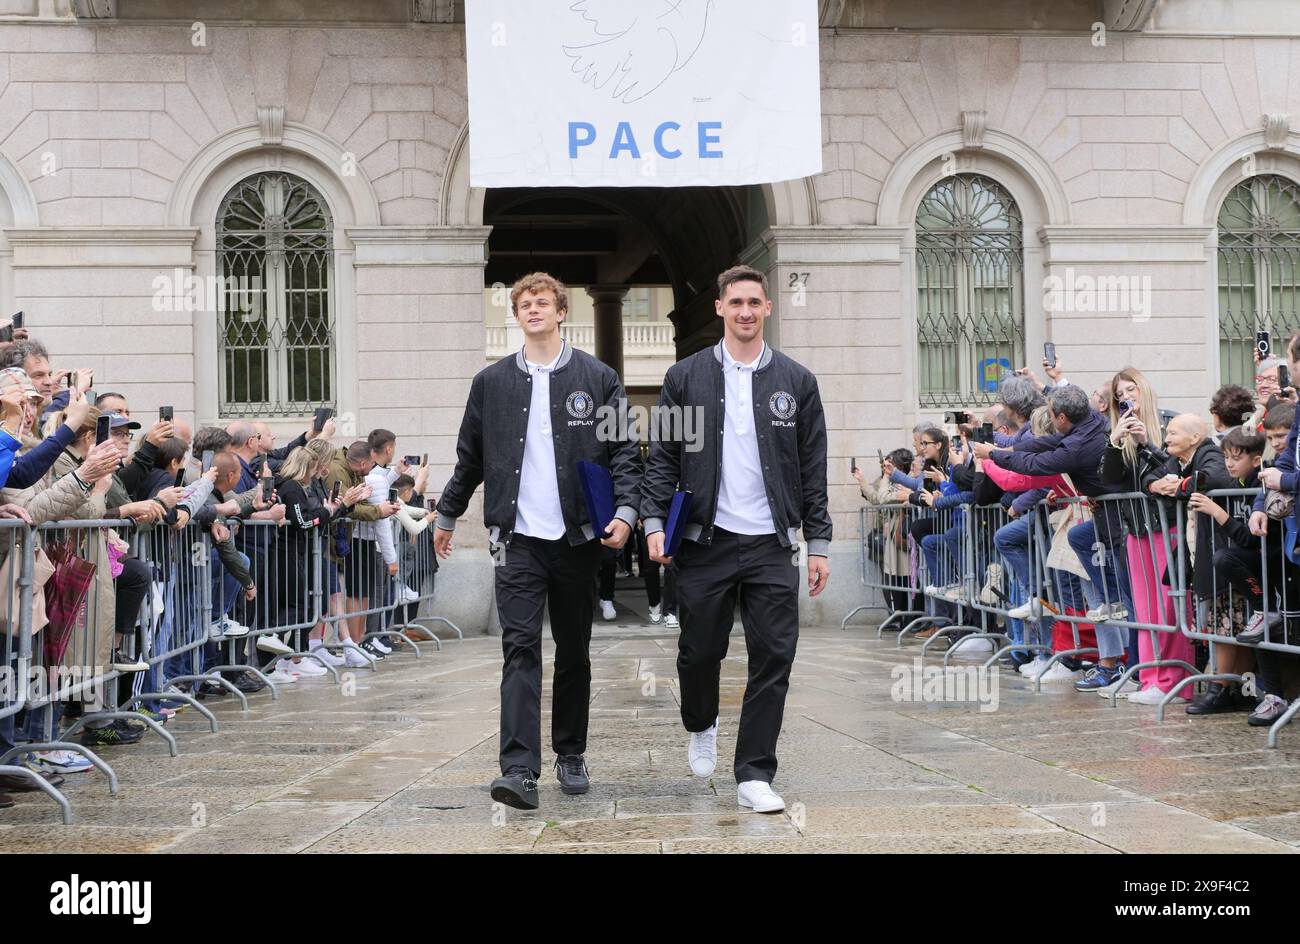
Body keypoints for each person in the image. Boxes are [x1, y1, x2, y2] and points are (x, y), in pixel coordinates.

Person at [435, 271, 641, 811]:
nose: (533, 310)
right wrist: (448, 514)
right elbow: (471, 458)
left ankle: (570, 754)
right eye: (524, 303)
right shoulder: (491, 383)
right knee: (519, 649)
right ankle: (519, 769)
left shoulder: (598, 378)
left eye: (542, 302)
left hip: (578, 539)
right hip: (517, 539)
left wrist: (624, 511)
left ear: (560, 311)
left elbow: (623, 451)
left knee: (574, 651)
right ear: (516, 313)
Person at [643, 264, 830, 815]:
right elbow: (664, 460)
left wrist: (817, 542)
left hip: (772, 542)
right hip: (705, 541)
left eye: (755, 302)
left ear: (767, 308)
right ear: (719, 309)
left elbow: (813, 468)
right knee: (699, 651)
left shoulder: (797, 382)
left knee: (775, 654)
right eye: (736, 302)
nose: (746, 311)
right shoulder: (686, 378)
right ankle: (701, 723)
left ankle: (754, 771)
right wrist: (655, 524)